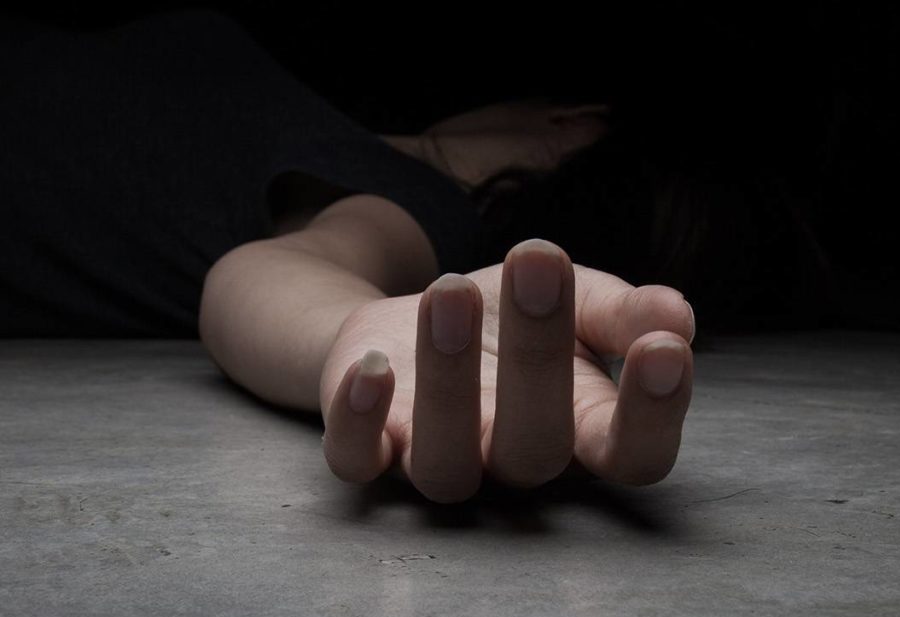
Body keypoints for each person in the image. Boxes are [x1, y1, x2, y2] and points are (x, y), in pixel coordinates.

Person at [1, 9, 695, 503]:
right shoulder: (340, 138)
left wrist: (360, 331)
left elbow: (269, 271)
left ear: (572, 121)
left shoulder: (417, 201)